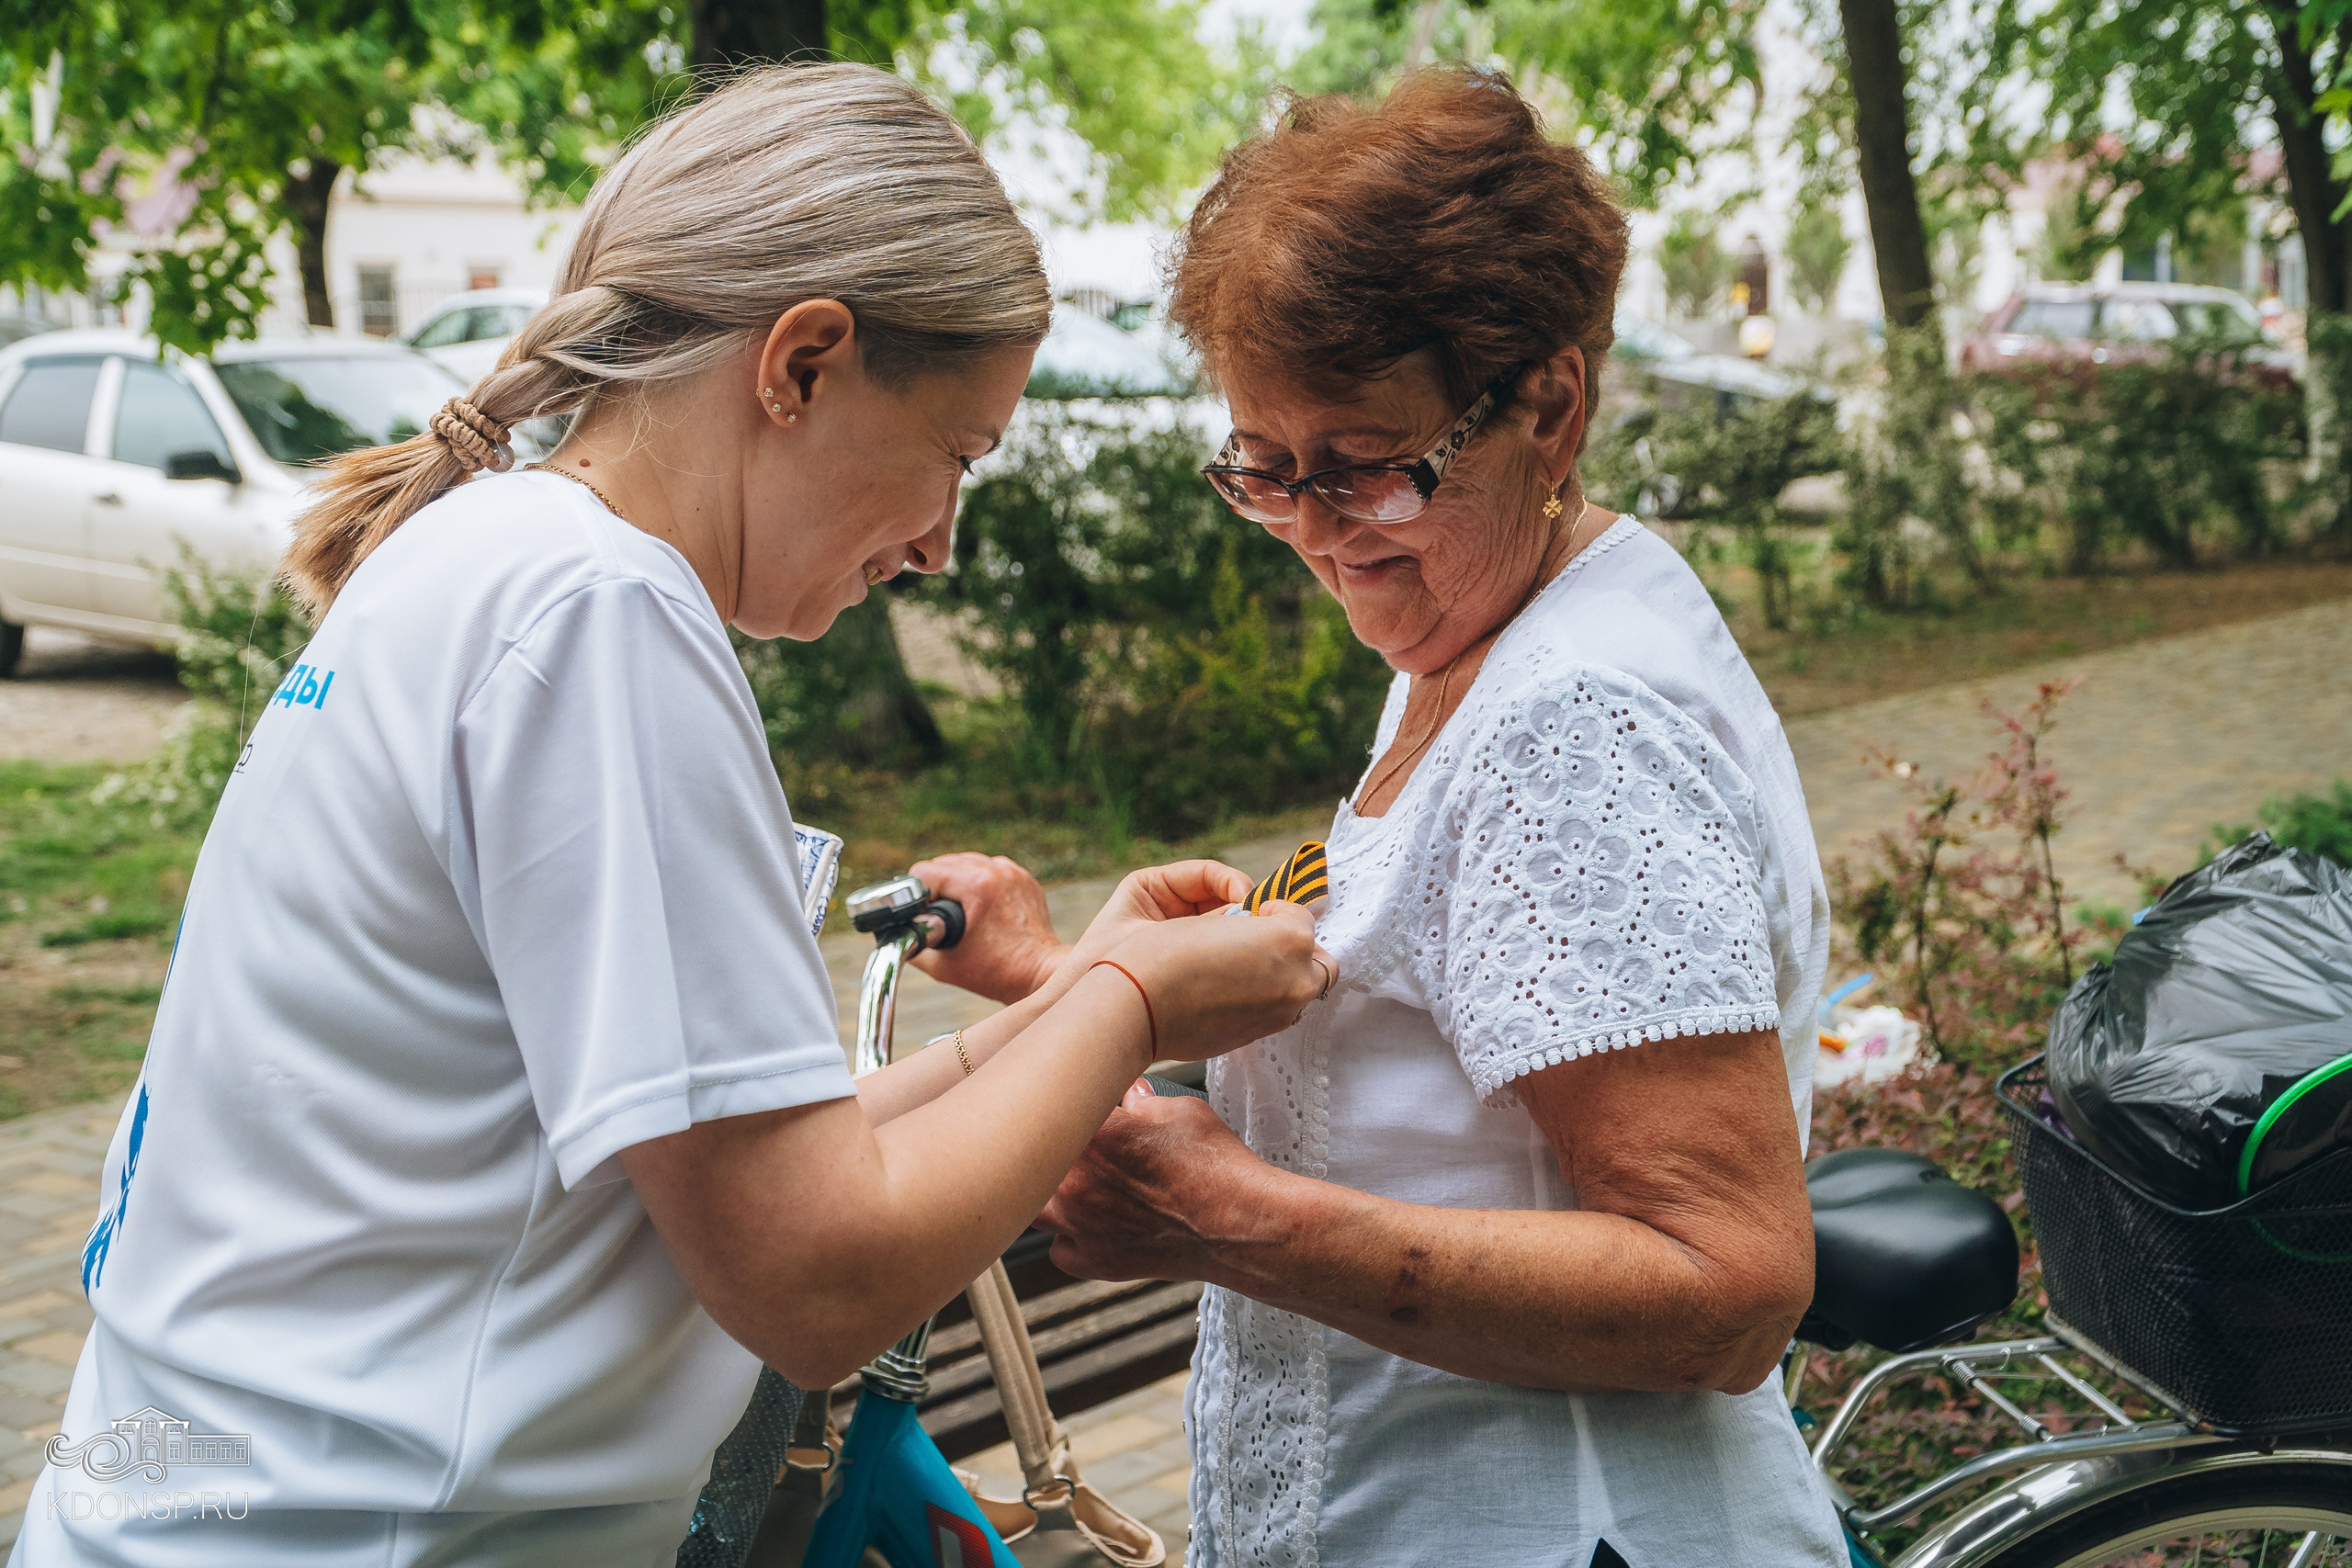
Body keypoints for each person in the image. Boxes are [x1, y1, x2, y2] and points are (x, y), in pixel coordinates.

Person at [17, 64, 1326, 1568]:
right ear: (805, 363)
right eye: (957, 457)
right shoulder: (599, 617)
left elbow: (732, 1160)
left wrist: (1048, 1017)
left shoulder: (488, 563)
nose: (939, 549)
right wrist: (1125, 1001)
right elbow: (813, 1278)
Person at [919, 70, 1848, 1566]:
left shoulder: (1572, 721)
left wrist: (1230, 1226)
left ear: (1551, 403)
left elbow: (1728, 1288)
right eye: (1263, 470)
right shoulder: (1472, 627)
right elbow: (1437, 1081)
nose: (1315, 532)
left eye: (1360, 466)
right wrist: (1076, 985)